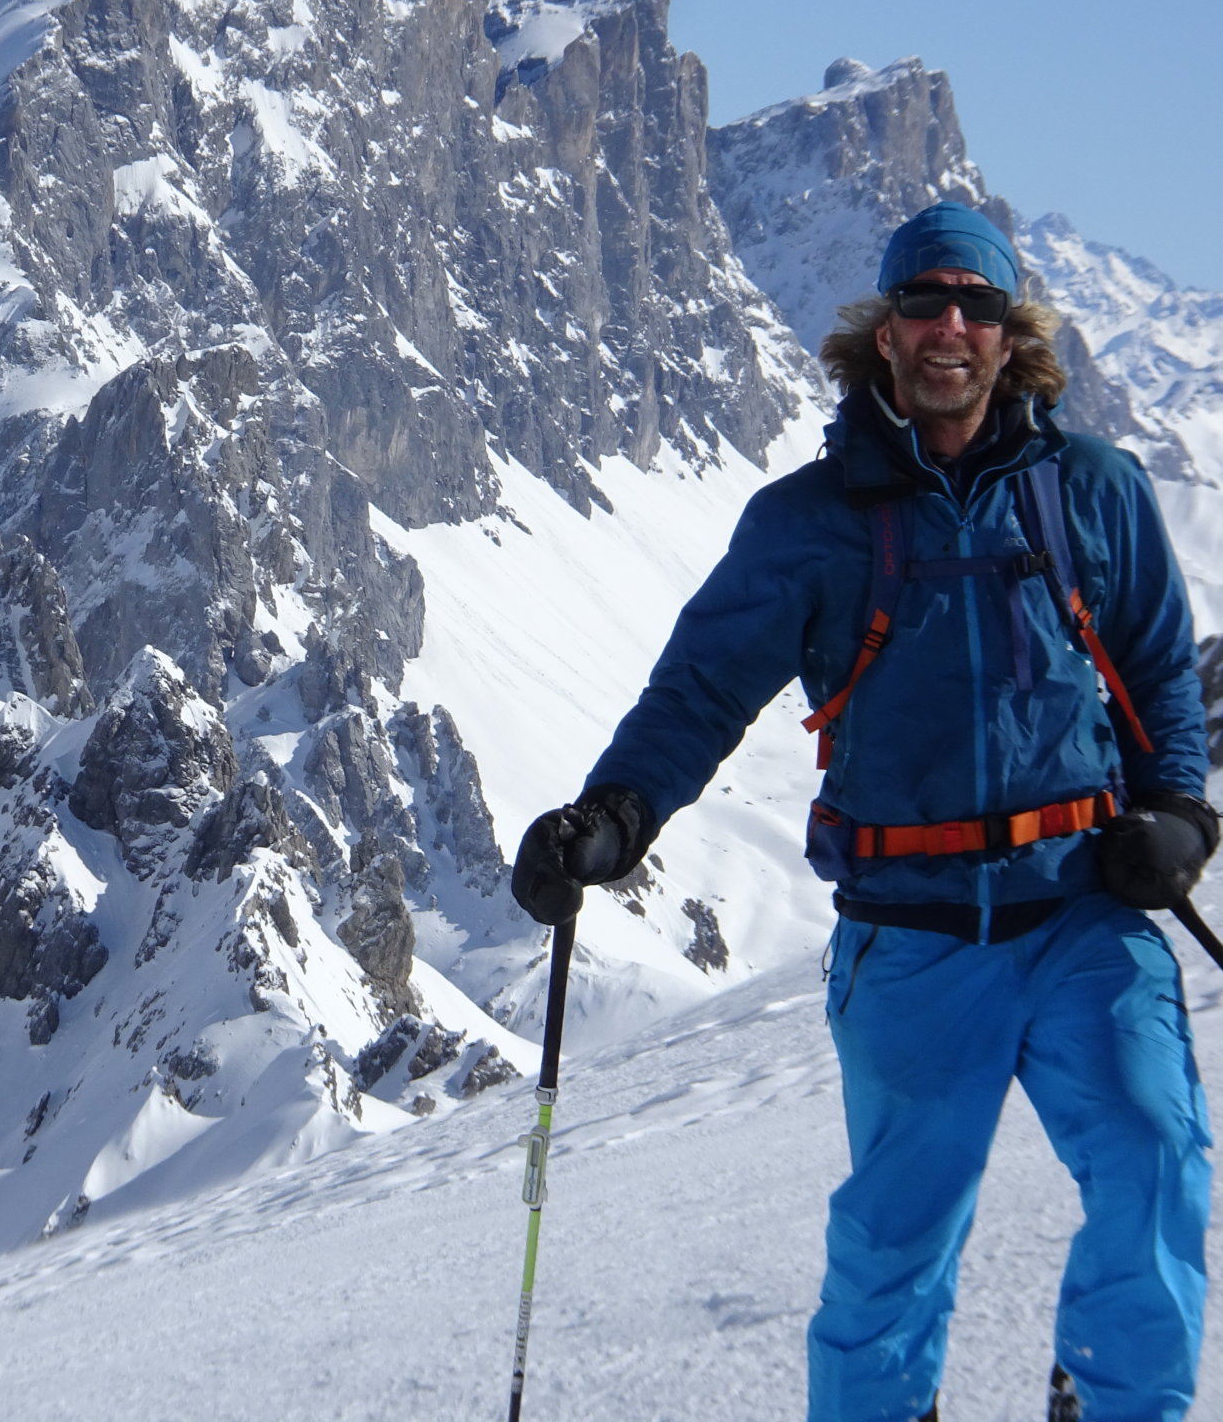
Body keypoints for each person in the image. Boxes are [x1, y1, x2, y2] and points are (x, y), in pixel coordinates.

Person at [511, 202, 1215, 1422]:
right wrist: (614, 814)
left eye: (977, 306)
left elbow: (1159, 670)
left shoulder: (1092, 490)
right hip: (911, 933)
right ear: (883, 332)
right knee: (895, 1246)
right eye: (926, 302)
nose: (952, 326)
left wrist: (1182, 815)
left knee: (1157, 1153)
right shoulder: (811, 521)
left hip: (1081, 910)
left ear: (1010, 334)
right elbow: (701, 690)